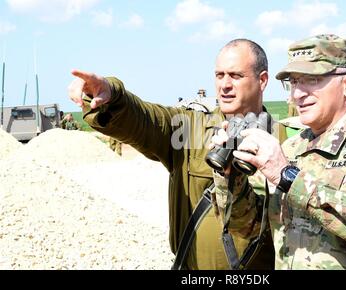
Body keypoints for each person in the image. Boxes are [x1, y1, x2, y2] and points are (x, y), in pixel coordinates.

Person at [210, 34, 346, 269]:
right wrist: (231, 177)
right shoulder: (292, 148)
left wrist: (289, 178)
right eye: (293, 82)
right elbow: (248, 228)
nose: (297, 94)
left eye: (311, 80)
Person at [67, 39, 287, 270]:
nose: (224, 85)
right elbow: (144, 118)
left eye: (235, 75)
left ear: (262, 80)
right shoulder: (188, 130)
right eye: (219, 75)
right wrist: (112, 96)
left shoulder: (286, 143)